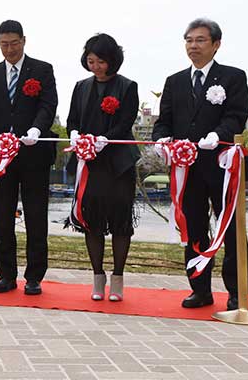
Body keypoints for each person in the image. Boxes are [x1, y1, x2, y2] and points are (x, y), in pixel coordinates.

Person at [152, 18, 248, 310]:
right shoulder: (175, 81)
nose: (193, 46)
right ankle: (200, 289)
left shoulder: (233, 77)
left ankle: (237, 292)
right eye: (189, 40)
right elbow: (164, 120)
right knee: (194, 228)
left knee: (231, 230)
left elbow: (236, 116)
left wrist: (217, 135)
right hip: (188, 167)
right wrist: (160, 140)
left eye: (200, 40)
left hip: (223, 165)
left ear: (216, 44)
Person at [0, 20, 58, 295]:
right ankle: (6, 275)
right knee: (3, 216)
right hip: (1, 158)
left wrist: (37, 127)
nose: (9, 49)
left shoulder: (42, 70)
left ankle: (34, 277)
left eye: (14, 43)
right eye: (4, 44)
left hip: (33, 153)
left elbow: (49, 104)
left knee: (36, 216)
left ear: (24, 40)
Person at [65, 33, 139, 302]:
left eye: (101, 61)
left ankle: (118, 277)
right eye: (91, 60)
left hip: (118, 162)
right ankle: (98, 277)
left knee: (120, 220)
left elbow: (126, 121)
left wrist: (106, 140)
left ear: (112, 61)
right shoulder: (80, 86)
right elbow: (73, 118)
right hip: (89, 163)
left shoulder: (128, 86)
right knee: (91, 220)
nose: (95, 66)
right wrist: (74, 134)